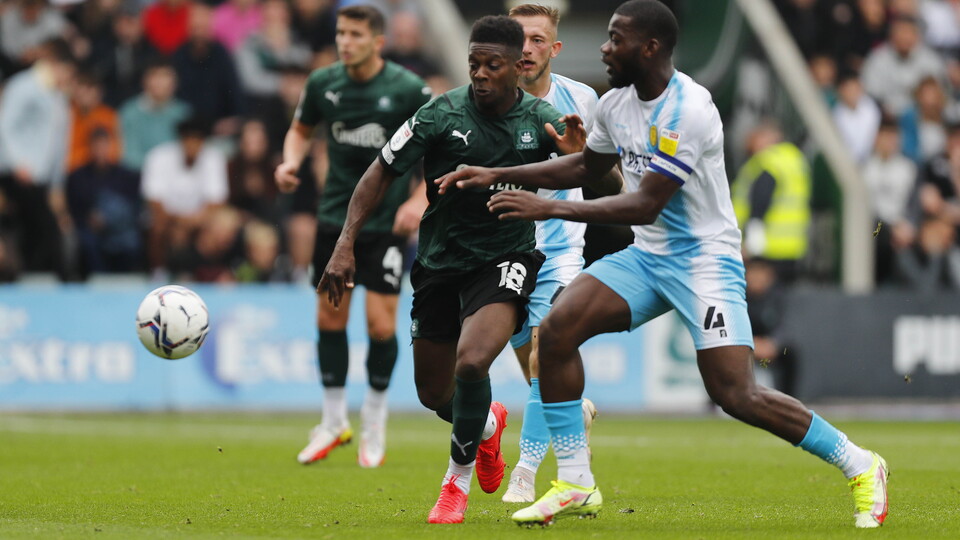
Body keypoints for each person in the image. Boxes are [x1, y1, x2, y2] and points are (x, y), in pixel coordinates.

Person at [436, 0, 889, 529]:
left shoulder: (689, 109)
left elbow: (645, 203)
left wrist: (548, 207)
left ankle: (861, 464)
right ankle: (576, 483)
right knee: (555, 332)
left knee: (735, 393)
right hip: (649, 256)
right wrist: (496, 175)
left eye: (615, 39)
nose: (604, 48)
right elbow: (585, 167)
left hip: (704, 262)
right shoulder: (614, 104)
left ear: (649, 48)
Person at [319, 15, 614, 525]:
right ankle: (488, 427)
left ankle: (454, 483)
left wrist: (585, 160)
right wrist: (345, 242)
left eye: (491, 65)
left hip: (507, 259)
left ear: (516, 69)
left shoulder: (541, 120)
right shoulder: (439, 114)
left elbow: (607, 185)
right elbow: (380, 173)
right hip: (440, 262)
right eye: (474, 63)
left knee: (473, 362)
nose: (479, 73)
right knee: (434, 393)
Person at [274, 4, 431, 469]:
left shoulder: (407, 89)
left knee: (381, 325)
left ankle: (375, 419)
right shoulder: (323, 83)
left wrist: (418, 197)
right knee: (330, 318)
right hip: (334, 221)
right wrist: (290, 161)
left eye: (356, 35)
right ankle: (332, 420)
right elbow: (300, 130)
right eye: (341, 33)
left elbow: (442, 147)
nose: (345, 42)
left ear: (378, 41)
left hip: (385, 224)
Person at [500, 3, 622, 505]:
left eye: (537, 40)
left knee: (543, 357)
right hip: (500, 251)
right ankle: (576, 413)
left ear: (554, 48)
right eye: (518, 39)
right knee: (534, 368)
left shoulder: (583, 100)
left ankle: (524, 474)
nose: (526, 49)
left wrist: (583, 158)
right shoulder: (485, 101)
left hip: (559, 249)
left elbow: (613, 183)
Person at [731, 121, 812, 284]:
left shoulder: (768, 161)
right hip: (792, 247)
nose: (749, 145)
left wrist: (752, 244)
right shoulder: (795, 159)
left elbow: (760, 201)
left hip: (765, 250)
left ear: (767, 137)